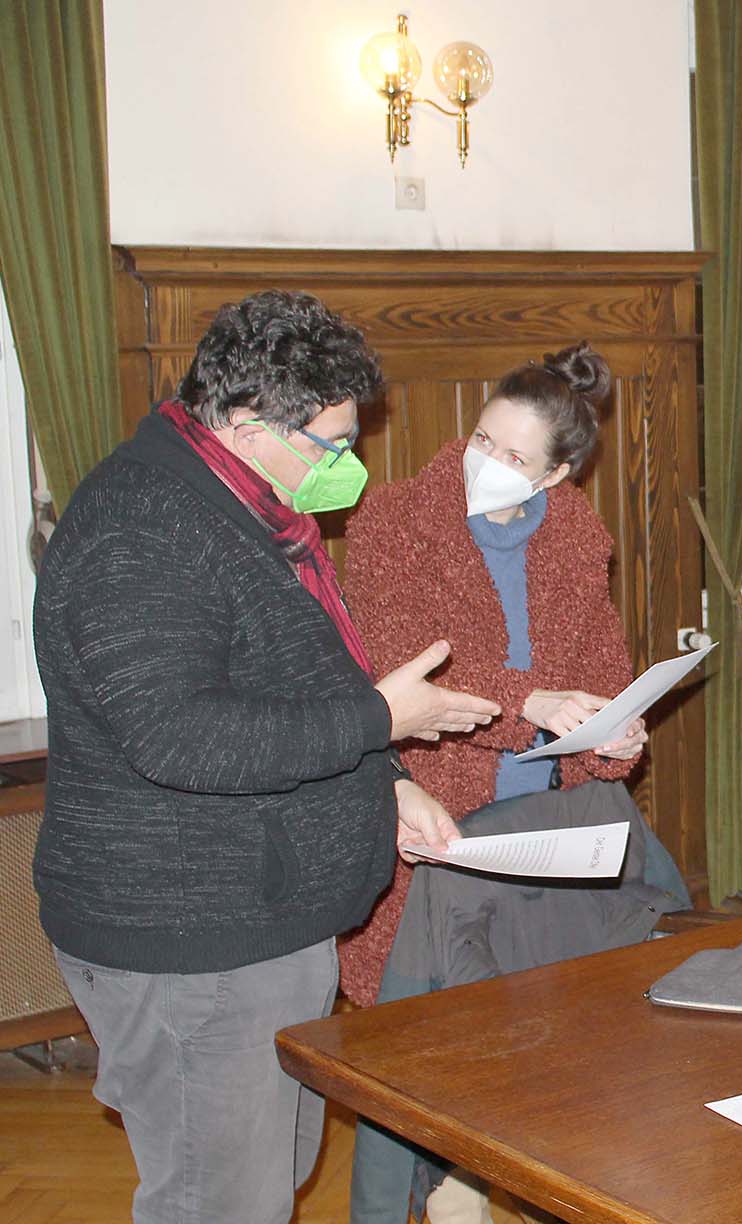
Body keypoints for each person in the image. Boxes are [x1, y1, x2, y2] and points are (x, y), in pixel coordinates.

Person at [32, 290, 499, 1224]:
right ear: (249, 430)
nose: (348, 464)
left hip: (255, 923)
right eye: (331, 444)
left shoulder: (239, 504)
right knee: (217, 1204)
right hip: (190, 943)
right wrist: (380, 721)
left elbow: (289, 681)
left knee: (262, 1184)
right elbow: (181, 737)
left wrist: (385, 782)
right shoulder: (143, 527)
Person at [336, 342, 646, 1223]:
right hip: (430, 825)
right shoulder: (396, 520)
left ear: (554, 476)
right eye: (483, 440)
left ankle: (473, 1189)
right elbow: (406, 671)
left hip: (536, 841)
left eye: (514, 456)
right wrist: (531, 701)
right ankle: (451, 1194)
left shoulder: (576, 537)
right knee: (430, 1058)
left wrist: (614, 732)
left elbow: (599, 672)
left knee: (530, 1061)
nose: (487, 462)